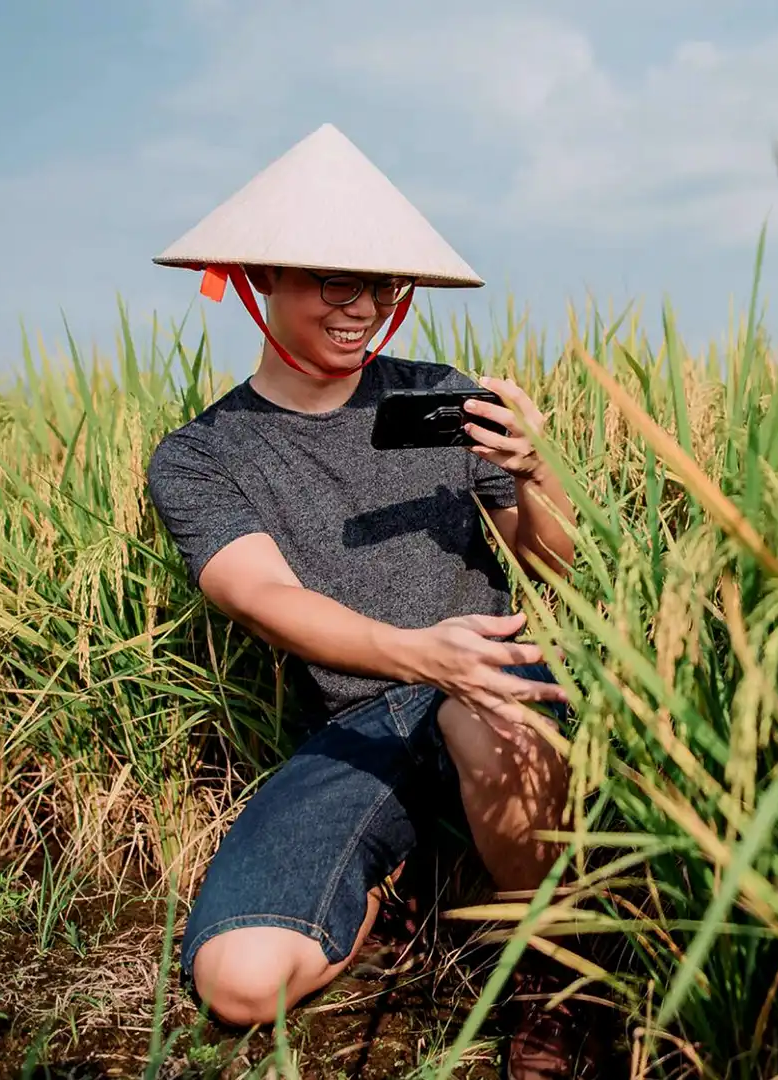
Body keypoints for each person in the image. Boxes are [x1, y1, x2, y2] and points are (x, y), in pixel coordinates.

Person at [146, 124, 598, 1079]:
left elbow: (551, 562)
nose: (362, 310)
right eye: (332, 285)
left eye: (383, 288)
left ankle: (554, 979)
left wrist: (534, 468)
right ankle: (398, 877)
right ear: (261, 279)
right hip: (357, 723)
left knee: (487, 708)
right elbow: (262, 595)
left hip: (490, 678)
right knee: (237, 981)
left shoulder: (443, 395)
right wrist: (416, 653)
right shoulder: (202, 456)